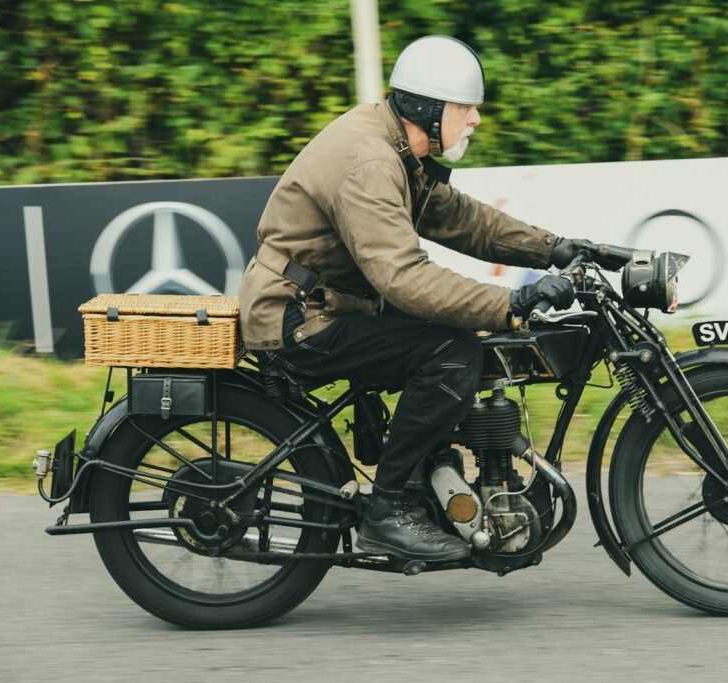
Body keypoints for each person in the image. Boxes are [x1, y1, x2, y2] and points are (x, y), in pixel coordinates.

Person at [238, 35, 586, 562]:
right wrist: (513, 303)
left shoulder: (398, 148)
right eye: (465, 107)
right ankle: (389, 509)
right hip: (300, 318)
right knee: (450, 352)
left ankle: (432, 474)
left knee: (458, 333)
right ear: (427, 107)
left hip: (334, 301)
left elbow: (460, 219)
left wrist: (553, 249)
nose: (475, 120)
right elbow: (403, 277)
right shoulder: (371, 162)